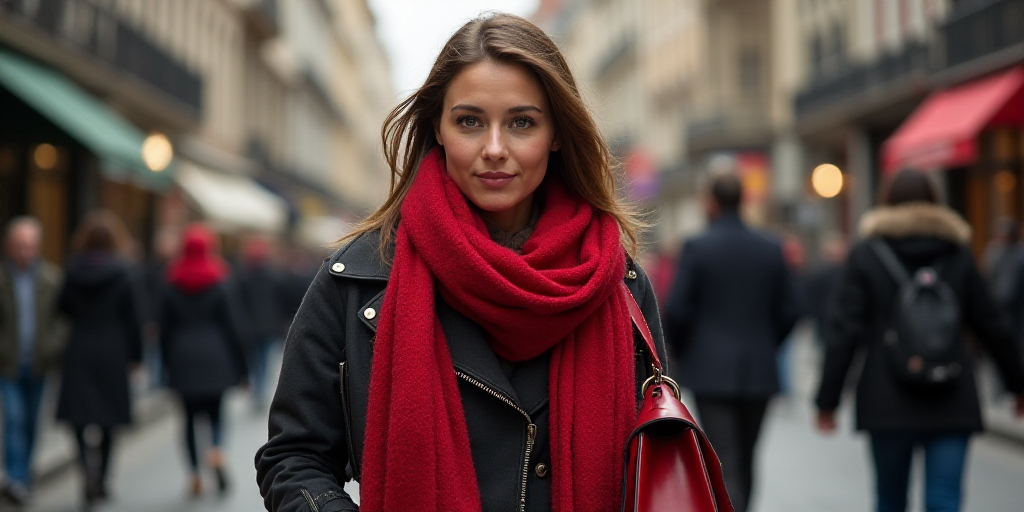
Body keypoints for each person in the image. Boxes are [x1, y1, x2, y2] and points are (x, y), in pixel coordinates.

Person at [255, 13, 667, 512]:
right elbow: (295, 457)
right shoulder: (359, 280)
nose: (495, 149)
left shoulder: (615, 281)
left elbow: (654, 454)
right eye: (470, 121)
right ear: (439, 129)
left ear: (557, 132)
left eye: (522, 122)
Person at [814, 169, 1024, 512]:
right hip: (951, 391)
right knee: (944, 500)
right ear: (934, 201)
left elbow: (843, 331)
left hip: (886, 397)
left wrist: (827, 401)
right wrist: (1017, 384)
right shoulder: (958, 252)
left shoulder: (867, 254)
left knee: (890, 500)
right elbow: (992, 324)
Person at [663, 171, 799, 512]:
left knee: (724, 456)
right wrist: (768, 342)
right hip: (759, 367)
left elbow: (677, 309)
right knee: (748, 454)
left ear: (710, 201)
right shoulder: (771, 247)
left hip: (710, 369)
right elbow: (793, 307)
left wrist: (680, 350)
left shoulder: (697, 247)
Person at [54, 210, 144, 507]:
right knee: (108, 420)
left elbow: (61, 308)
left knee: (79, 419)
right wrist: (136, 357)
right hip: (112, 350)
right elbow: (133, 318)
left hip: (79, 348)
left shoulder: (72, 269)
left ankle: (86, 474)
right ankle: (102, 478)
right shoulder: (123, 272)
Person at [160, 224, 248, 498]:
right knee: (217, 414)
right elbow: (235, 327)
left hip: (182, 358)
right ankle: (217, 452)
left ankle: (195, 474)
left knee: (187, 419)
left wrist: (166, 364)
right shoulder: (221, 280)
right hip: (216, 357)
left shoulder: (172, 281)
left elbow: (164, 329)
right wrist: (243, 368)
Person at [0, 216, 67, 505]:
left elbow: (62, 321)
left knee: (31, 422)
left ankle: (25, 473)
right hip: (9, 363)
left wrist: (51, 348)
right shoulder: (2, 280)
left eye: (29, 245)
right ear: (8, 246)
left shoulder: (51, 279)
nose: (24, 251)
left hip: (39, 363)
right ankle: (15, 478)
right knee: (14, 419)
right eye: (19, 245)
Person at [234, 236, 289, 409]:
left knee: (255, 361)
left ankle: (258, 390)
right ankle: (261, 390)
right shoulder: (275, 277)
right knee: (264, 361)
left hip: (250, 328)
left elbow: (239, 304)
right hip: (269, 327)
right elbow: (282, 303)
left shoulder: (243, 278)